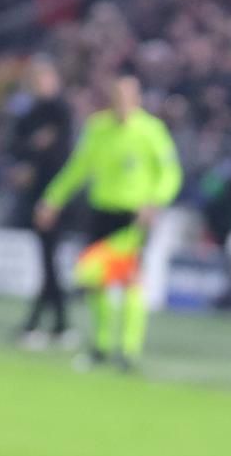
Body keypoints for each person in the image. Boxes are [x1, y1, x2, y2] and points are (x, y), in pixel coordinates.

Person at [35, 68, 182, 373]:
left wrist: (155, 201)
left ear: (137, 99)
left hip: (134, 216)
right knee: (94, 279)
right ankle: (101, 346)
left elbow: (170, 173)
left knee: (129, 280)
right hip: (101, 212)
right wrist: (52, 199)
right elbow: (78, 168)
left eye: (129, 96)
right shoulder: (97, 128)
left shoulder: (151, 131)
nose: (123, 101)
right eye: (118, 96)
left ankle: (127, 350)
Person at [9, 57, 75, 347]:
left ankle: (40, 323)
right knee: (47, 260)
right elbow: (16, 146)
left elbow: (59, 151)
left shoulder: (60, 111)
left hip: (53, 196)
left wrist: (32, 154)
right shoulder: (29, 113)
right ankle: (59, 324)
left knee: (48, 260)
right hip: (36, 193)